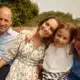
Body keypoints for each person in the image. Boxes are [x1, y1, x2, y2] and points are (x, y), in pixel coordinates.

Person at [0, 5, 18, 80]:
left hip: (4, 68)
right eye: (0, 19)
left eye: (6, 20)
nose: (2, 23)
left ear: (11, 22)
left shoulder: (17, 37)